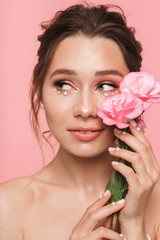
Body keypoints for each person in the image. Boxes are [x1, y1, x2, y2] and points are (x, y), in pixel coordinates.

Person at [0, 3, 160, 240]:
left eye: (106, 86)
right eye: (64, 85)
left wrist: (135, 224)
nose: (85, 109)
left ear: (134, 93)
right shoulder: (7, 207)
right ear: (40, 93)